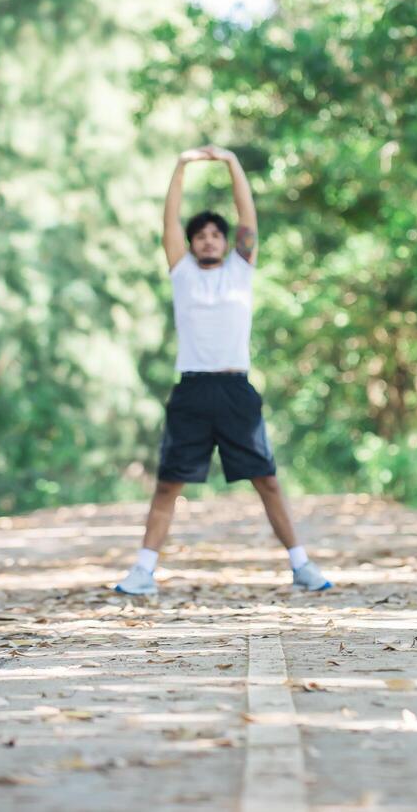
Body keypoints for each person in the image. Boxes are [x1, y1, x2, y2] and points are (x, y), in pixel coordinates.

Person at [113, 145, 333, 597]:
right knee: (168, 484)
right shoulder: (182, 273)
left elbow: (248, 218)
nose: (209, 239)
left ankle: (301, 564)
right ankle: (143, 571)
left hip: (236, 389)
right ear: (191, 245)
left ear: (226, 241)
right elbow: (169, 221)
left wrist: (231, 162)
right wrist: (180, 166)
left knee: (267, 480)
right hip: (192, 390)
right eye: (201, 236)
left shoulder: (240, 269)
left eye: (217, 234)